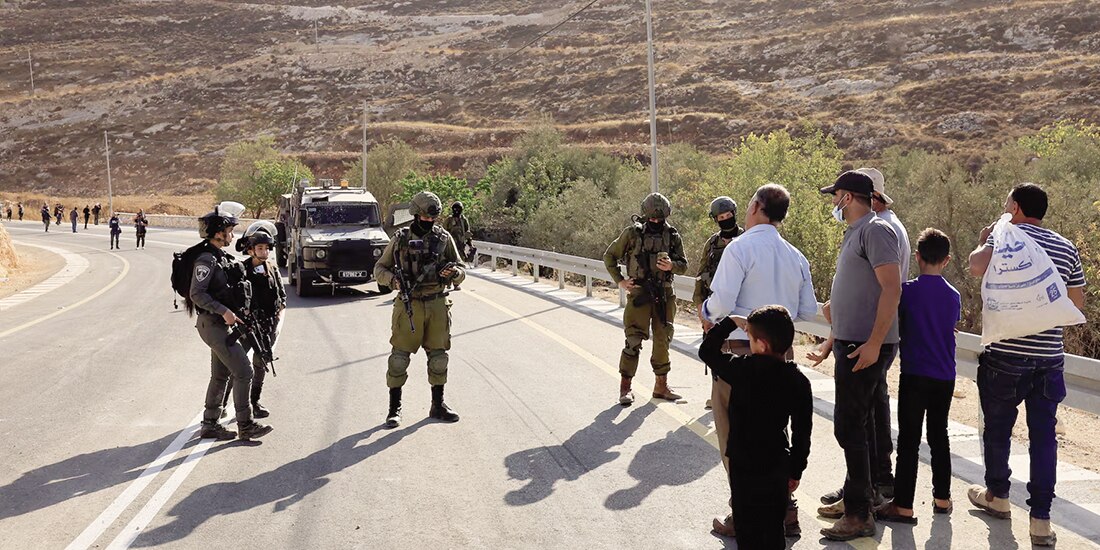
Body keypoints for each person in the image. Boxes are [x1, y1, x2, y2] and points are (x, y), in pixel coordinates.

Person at [966, 183, 1086, 547]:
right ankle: (1040, 521)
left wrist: (986, 240)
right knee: (1044, 438)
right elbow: (1076, 303)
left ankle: (998, 497)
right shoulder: (1066, 247)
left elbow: (974, 267)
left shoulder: (1003, 238)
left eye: (1006, 205)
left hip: (1005, 356)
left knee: (998, 431)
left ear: (1015, 208)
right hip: (1049, 358)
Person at [699, 183, 818, 537]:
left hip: (741, 355)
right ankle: (786, 509)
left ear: (754, 207)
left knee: (735, 439)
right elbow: (809, 310)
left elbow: (720, 304)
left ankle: (743, 514)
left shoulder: (739, 249)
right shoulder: (796, 256)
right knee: (776, 434)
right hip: (782, 355)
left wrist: (707, 312)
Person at [814, 170, 902, 541]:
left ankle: (858, 513)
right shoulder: (858, 233)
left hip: (865, 346)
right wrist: (832, 339)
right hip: (852, 343)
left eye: (836, 196)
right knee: (856, 426)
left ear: (847, 197)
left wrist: (873, 343)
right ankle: (860, 501)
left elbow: (892, 288)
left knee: (850, 426)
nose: (833, 202)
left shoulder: (876, 230)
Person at [699, 306, 813, 550]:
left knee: (747, 531)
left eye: (749, 338)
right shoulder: (798, 381)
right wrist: (796, 471)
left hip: (743, 466)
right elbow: (802, 433)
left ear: (760, 344)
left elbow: (707, 351)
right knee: (773, 530)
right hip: (776, 467)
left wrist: (729, 322)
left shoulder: (741, 369)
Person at [875, 228, 959, 525]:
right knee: (940, 436)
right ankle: (942, 498)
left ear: (918, 257)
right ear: (946, 260)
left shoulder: (907, 291)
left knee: (909, 440)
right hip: (945, 376)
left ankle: (904, 505)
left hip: (914, 373)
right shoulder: (953, 296)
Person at [373, 191, 465, 428]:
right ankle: (394, 409)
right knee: (399, 360)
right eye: (424, 217)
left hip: (437, 303)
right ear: (415, 214)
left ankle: (438, 405)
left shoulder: (444, 239)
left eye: (432, 218)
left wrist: (454, 273)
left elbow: (461, 271)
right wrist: (393, 281)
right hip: (409, 304)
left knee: (439, 358)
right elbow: (379, 269)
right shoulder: (400, 238)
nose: (429, 221)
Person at [188, 203, 273, 441]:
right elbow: (197, 293)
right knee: (244, 371)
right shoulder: (206, 259)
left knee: (220, 375)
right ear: (218, 232)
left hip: (219, 324)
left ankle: (210, 423)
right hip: (212, 324)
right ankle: (245, 425)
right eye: (229, 230)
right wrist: (223, 310)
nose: (232, 235)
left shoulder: (220, 256)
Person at [604, 192, 689, 405]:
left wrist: (672, 266)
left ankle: (661, 387)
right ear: (645, 215)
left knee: (663, 340)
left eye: (659, 219)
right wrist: (621, 282)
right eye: (652, 219)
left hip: (664, 294)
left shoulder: (673, 235)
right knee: (633, 340)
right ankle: (625, 388)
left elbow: (684, 265)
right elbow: (610, 256)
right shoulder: (632, 234)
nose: (656, 222)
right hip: (640, 293)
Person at [223, 225, 286, 418]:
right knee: (237, 366)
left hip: (267, 327)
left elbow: (281, 295)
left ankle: (254, 403)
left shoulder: (272, 269)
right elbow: (234, 296)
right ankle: (222, 405)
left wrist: (278, 312)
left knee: (261, 364)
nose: (264, 252)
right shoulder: (242, 270)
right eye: (260, 248)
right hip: (247, 326)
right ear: (250, 250)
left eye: (267, 248)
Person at [442, 201, 473, 289]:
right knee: (448, 264)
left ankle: (456, 283)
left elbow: (467, 233)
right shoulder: (449, 220)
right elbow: (444, 233)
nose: (457, 211)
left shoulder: (464, 220)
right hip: (449, 247)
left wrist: (470, 244)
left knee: (460, 266)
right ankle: (448, 282)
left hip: (460, 247)